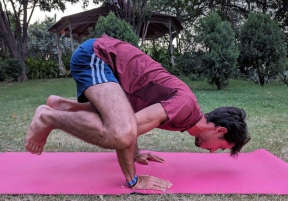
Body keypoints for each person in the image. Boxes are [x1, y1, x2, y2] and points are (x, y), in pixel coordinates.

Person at [25, 34, 250, 191]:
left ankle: (62, 106)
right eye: (220, 147)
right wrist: (133, 180)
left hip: (109, 68)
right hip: (98, 56)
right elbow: (129, 130)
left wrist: (134, 153)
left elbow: (135, 115)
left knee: (122, 127)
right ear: (220, 130)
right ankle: (48, 117)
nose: (212, 152)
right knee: (120, 133)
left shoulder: (185, 119)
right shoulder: (185, 107)